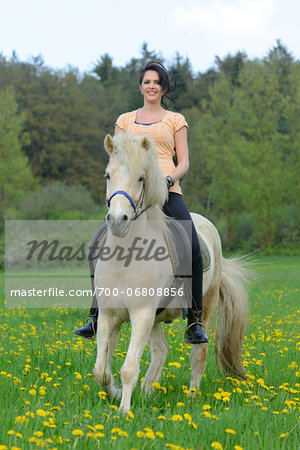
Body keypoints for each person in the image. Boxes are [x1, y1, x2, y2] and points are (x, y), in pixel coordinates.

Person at [75, 61, 208, 344]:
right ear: (140, 86)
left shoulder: (175, 119)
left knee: (192, 246)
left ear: (164, 88)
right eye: (147, 81)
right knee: (95, 245)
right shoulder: (125, 121)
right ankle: (96, 314)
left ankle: (194, 319)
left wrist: (170, 181)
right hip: (132, 194)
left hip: (167, 191)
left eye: (157, 82)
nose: (151, 86)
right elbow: (117, 158)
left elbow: (183, 161)